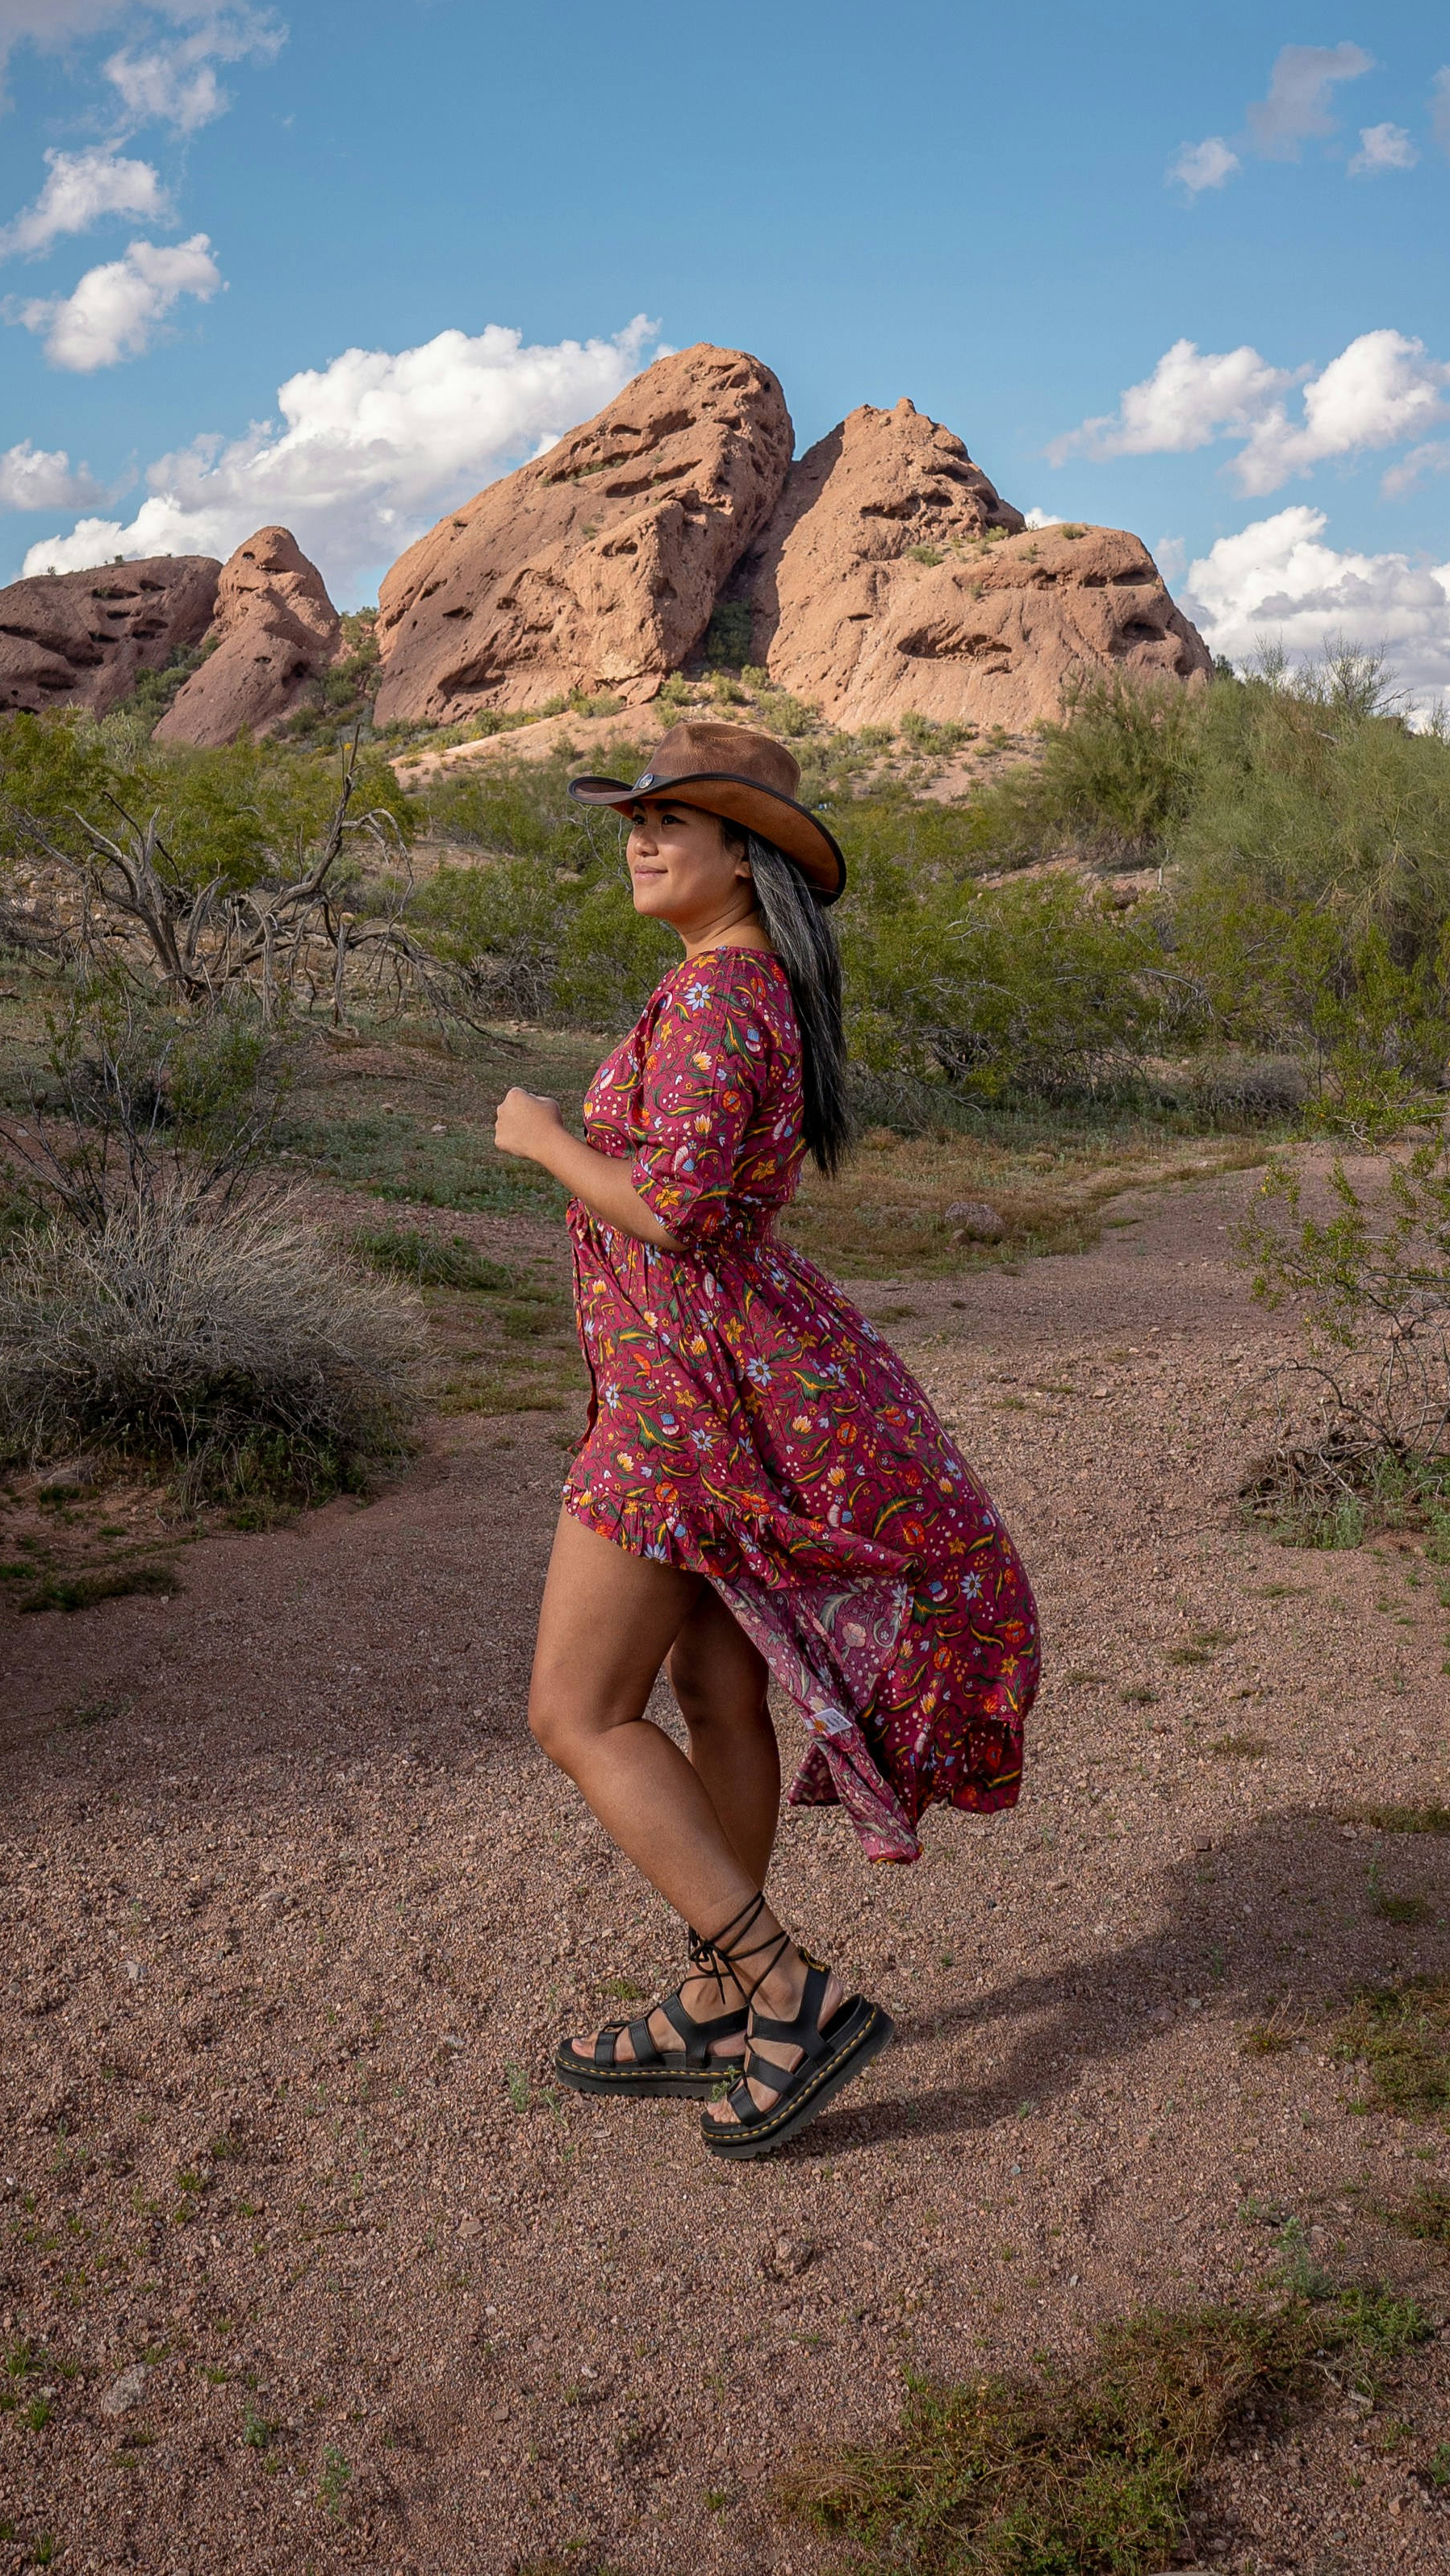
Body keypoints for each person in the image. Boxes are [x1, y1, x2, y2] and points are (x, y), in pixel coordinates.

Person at [493, 721, 1039, 2161]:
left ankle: (781, 1986)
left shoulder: (726, 996)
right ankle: (715, 1999)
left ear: (749, 852)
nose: (641, 836)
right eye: (635, 815)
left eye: (674, 818)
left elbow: (674, 1210)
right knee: (715, 1698)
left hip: (684, 1404)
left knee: (577, 1709)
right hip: (693, 1380)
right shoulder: (727, 989)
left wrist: (542, 1138)